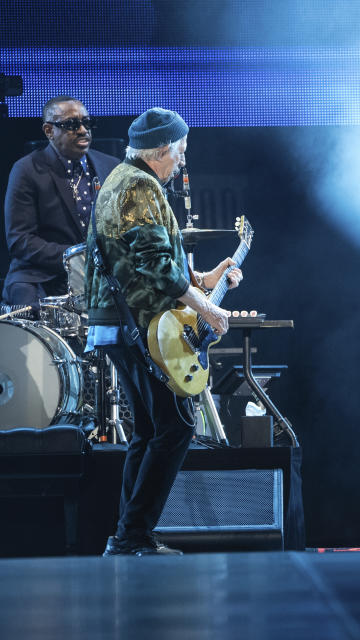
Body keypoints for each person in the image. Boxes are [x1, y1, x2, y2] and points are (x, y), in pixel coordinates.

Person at [85, 108, 242, 556]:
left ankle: (129, 535)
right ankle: (133, 535)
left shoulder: (126, 179)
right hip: (138, 327)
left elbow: (151, 261)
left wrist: (207, 279)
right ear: (161, 151)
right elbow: (154, 266)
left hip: (124, 325)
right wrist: (208, 309)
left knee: (152, 429)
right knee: (174, 427)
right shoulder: (139, 186)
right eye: (181, 152)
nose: (182, 161)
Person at [2, 96, 120, 309]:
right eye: (71, 125)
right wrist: (76, 258)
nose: (83, 130)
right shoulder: (26, 170)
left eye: (87, 122)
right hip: (40, 276)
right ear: (49, 131)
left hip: (99, 275)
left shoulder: (110, 166)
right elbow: (20, 240)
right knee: (30, 315)